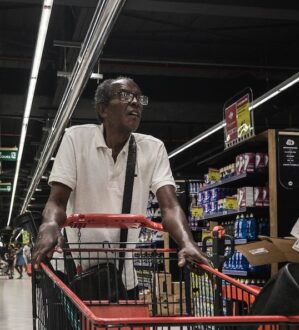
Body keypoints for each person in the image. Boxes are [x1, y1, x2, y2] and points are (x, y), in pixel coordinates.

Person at [32, 76, 208, 292]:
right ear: (103, 109)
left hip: (122, 279)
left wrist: (187, 243)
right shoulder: (76, 139)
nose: (135, 102)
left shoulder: (153, 149)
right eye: (125, 96)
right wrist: (50, 225)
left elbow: (169, 206)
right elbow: (57, 201)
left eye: (139, 98)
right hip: (74, 274)